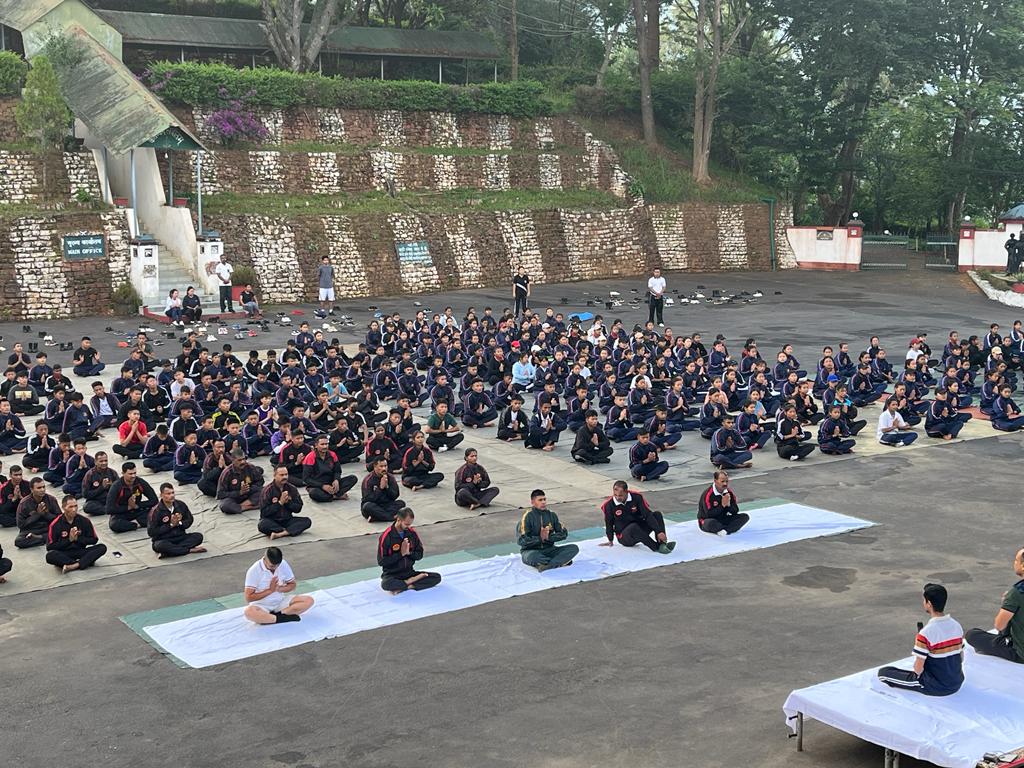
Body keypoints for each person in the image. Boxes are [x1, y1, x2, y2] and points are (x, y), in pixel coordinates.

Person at [877, 583, 965, 696]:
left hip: (936, 686)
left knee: (883, 673)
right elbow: (961, 658)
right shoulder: (956, 625)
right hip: (957, 682)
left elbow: (918, 670)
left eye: (924, 600)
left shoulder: (926, 633)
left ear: (929, 604)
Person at [965, 546, 1024, 664]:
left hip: (1020, 652)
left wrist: (1006, 604)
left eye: (1016, 560)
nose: (1014, 563)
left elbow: (999, 625)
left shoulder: (1017, 592)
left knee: (972, 635)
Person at [377, 507, 442, 594]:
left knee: (436, 577)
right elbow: (381, 562)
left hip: (409, 572)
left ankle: (408, 585)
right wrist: (401, 554)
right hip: (392, 574)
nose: (409, 527)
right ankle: (410, 582)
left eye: (410, 524)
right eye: (406, 524)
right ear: (399, 519)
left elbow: (419, 555)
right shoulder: (387, 536)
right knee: (385, 584)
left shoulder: (412, 534)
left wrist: (409, 553)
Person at [243, 547, 315, 625]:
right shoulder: (254, 570)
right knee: (249, 612)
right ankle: (281, 617)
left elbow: (292, 585)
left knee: (309, 600)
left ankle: (274, 617)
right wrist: (270, 590)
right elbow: (249, 597)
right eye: (271, 566)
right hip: (261, 606)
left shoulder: (283, 564)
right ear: (264, 559)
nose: (275, 568)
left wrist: (279, 589)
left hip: (280, 602)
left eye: (277, 565)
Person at [599, 481, 675, 554]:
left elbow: (647, 515)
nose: (618, 498)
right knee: (633, 527)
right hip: (625, 537)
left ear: (626, 492)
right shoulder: (608, 505)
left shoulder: (637, 497)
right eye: (615, 495)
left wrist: (658, 531)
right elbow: (609, 523)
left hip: (640, 530)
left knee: (657, 514)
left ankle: (662, 543)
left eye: (620, 495)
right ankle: (656, 547)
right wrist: (610, 539)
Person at [517, 489, 577, 571]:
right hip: (531, 551)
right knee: (534, 557)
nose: (543, 502)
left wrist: (548, 537)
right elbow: (521, 540)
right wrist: (540, 538)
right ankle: (559, 562)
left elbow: (564, 533)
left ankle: (546, 565)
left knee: (574, 548)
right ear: (533, 502)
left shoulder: (552, 515)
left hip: (550, 549)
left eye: (544, 499)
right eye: (540, 500)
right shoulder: (527, 517)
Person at [45, 495, 107, 573]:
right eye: (70, 507)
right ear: (64, 508)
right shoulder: (55, 524)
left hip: (80, 550)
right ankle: (83, 562)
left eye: (76, 506)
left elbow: (94, 539)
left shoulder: (84, 521)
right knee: (50, 555)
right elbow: (50, 547)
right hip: (65, 553)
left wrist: (78, 539)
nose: (74, 509)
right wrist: (69, 540)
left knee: (102, 547)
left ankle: (73, 565)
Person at [148, 483, 206, 558]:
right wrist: (171, 525)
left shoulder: (180, 505)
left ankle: (169, 552)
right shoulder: (156, 511)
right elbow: (151, 532)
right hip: (164, 539)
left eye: (173, 493)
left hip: (180, 537)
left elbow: (189, 520)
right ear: (161, 495)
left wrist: (179, 523)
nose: (171, 496)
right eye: (168, 494)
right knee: (160, 546)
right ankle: (189, 550)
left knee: (198, 537)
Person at [259, 466, 312, 540]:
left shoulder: (292, 488)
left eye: (286, 474)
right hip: (272, 520)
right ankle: (289, 530)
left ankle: (281, 534)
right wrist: (280, 503)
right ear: (274, 475)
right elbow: (264, 513)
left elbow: (298, 508)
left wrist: (288, 503)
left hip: (287, 519)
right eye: (281, 475)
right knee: (262, 525)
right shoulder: (267, 490)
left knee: (307, 521)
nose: (284, 477)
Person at [301, 434, 357, 502]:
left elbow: (337, 471)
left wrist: (336, 480)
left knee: (353, 478)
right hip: (317, 486)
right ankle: (335, 496)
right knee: (314, 493)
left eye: (326, 444)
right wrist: (323, 486)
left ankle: (331, 495)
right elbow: (306, 479)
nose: (325, 446)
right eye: (322, 444)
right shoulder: (310, 457)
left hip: (331, 483)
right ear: (316, 445)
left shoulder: (332, 454)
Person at [105, 462, 157, 532]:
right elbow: (109, 509)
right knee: (114, 525)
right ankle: (136, 524)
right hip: (123, 513)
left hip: (138, 511)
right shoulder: (116, 486)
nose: (133, 476)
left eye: (134, 473)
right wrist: (128, 507)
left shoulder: (140, 482)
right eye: (130, 474)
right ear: (123, 473)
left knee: (156, 514)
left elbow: (154, 500)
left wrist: (137, 506)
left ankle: (137, 523)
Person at [697, 470, 749, 536]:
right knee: (711, 523)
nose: (725, 484)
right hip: (708, 520)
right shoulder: (708, 494)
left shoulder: (729, 493)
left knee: (744, 517)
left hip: (723, 518)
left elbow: (735, 511)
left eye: (726, 481)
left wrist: (729, 505)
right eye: (722, 481)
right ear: (715, 481)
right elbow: (709, 514)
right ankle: (727, 528)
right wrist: (722, 505)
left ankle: (725, 530)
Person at [15, 477, 61, 548]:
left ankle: (40, 538)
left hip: (48, 528)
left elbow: (60, 519)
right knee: (19, 541)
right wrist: (37, 514)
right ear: (31, 489)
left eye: (43, 487)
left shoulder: (51, 500)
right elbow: (21, 524)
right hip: (32, 529)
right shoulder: (24, 503)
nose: (42, 490)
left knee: (61, 532)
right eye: (39, 488)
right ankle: (46, 539)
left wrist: (46, 514)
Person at [217, 447, 265, 514]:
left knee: (264, 491)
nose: (243, 462)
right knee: (225, 505)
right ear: (233, 460)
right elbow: (220, 494)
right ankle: (249, 507)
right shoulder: (226, 473)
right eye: (239, 460)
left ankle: (240, 507)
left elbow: (260, 481)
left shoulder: (250, 467)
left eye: (244, 459)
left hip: (249, 495)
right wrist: (239, 492)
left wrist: (250, 489)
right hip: (234, 498)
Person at [361, 457, 404, 522]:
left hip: (387, 505)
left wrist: (387, 487)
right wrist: (380, 488)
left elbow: (395, 495)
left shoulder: (390, 477)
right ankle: (391, 518)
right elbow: (367, 499)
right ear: (375, 467)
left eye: (385, 466)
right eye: (381, 466)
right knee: (367, 506)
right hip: (374, 505)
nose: (384, 468)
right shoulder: (368, 480)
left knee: (401, 503)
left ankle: (377, 517)